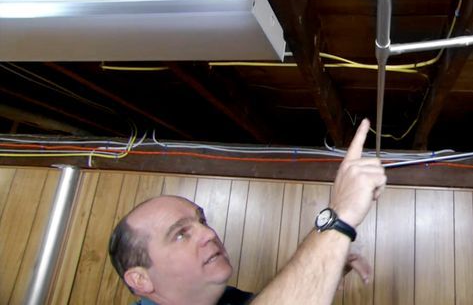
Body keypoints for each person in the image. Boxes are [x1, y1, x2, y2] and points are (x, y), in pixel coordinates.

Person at [108, 119, 387, 305]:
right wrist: (338, 218)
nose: (208, 233)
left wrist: (328, 263)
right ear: (140, 279)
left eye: (202, 221)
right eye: (181, 234)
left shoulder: (229, 300)